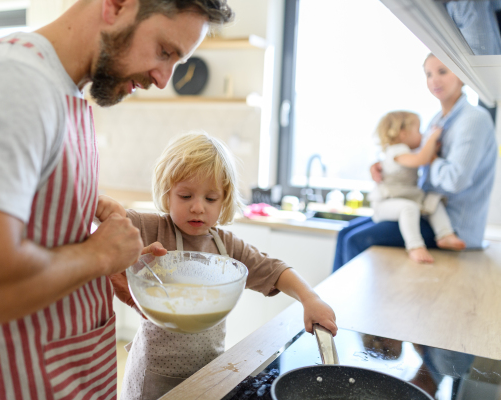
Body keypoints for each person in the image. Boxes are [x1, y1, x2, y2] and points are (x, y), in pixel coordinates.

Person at [0, 1, 234, 399]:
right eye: (165, 51)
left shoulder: (63, 90)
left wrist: (86, 217)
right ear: (117, 5)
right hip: (8, 383)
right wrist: (98, 256)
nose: (164, 79)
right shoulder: (7, 82)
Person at [103, 132, 338, 400]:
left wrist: (310, 298)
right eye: (185, 196)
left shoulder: (226, 246)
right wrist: (104, 209)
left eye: (210, 199)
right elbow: (110, 219)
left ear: (224, 200)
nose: (197, 208)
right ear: (167, 194)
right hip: (154, 373)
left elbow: (274, 270)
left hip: (209, 369)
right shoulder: (152, 228)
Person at [333, 54, 496, 272]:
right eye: (428, 74)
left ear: (461, 75)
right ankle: (328, 305)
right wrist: (385, 165)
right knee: (345, 232)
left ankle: (337, 306)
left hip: (451, 225)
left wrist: (429, 157)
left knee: (356, 240)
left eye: (442, 71)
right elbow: (412, 157)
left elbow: (455, 180)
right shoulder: (437, 120)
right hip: (425, 211)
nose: (434, 80)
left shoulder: (473, 120)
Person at [369, 111, 466, 263]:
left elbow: (421, 156)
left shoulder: (405, 151)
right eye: (418, 131)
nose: (421, 135)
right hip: (385, 203)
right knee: (409, 208)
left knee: (432, 201)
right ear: (402, 134)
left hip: (404, 197)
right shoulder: (396, 150)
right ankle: (415, 246)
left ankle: (445, 234)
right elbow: (420, 159)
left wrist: (431, 149)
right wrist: (432, 138)